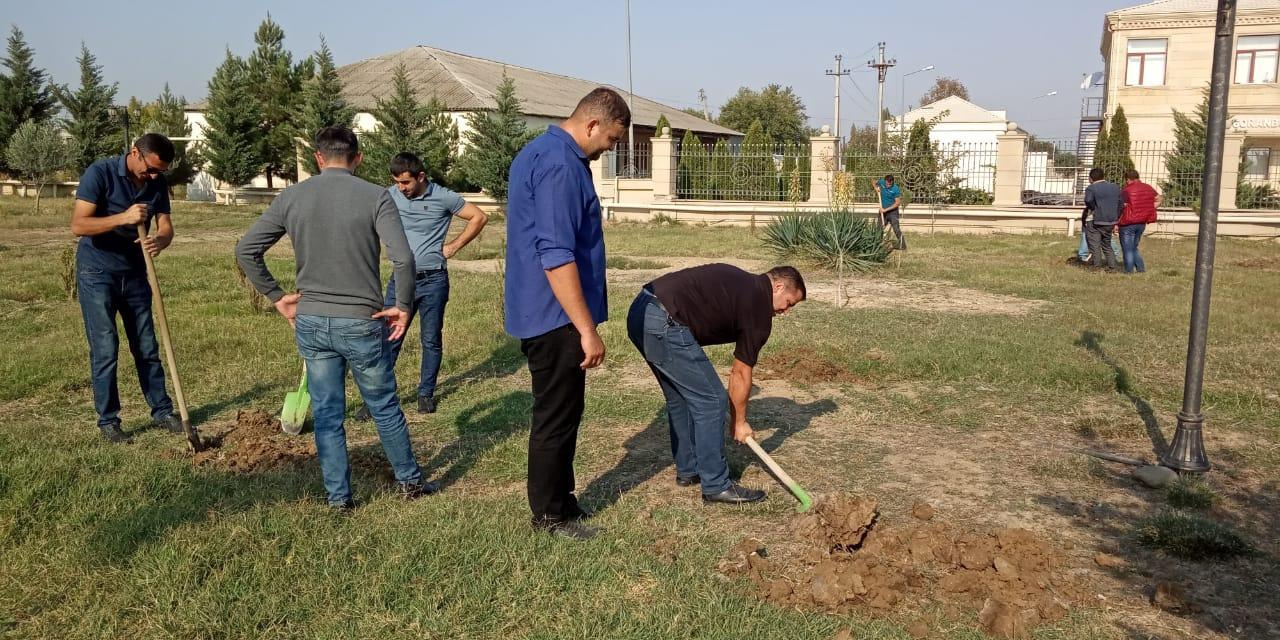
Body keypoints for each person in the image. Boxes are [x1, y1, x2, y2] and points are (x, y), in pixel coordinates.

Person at [235, 127, 436, 511]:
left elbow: (247, 250)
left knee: (327, 413)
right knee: (383, 405)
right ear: (358, 158)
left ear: (318, 158)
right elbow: (404, 259)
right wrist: (404, 305)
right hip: (362, 320)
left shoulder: (291, 197)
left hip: (312, 321)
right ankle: (409, 482)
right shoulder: (377, 196)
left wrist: (277, 297)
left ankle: (338, 499)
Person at [505, 87, 629, 540]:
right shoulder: (559, 164)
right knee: (555, 416)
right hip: (555, 315)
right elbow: (556, 255)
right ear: (592, 124)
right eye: (612, 140)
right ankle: (550, 516)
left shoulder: (540, 152)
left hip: (544, 310)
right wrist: (586, 329)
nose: (609, 149)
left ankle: (561, 501)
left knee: (562, 411)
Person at [626, 265, 806, 505]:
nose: (786, 311)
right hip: (664, 319)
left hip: (641, 310)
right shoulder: (758, 307)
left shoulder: (745, 284)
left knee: (682, 397)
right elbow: (740, 373)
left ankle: (689, 470)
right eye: (789, 303)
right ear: (778, 286)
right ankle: (716, 485)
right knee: (712, 400)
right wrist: (739, 422)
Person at [353, 152, 488, 420]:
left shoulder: (443, 197)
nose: (400, 188)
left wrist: (453, 246)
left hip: (434, 281)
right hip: (400, 281)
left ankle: (425, 393)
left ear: (421, 177)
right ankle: (376, 399)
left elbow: (479, 217)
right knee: (389, 340)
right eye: (396, 182)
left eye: (405, 183)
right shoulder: (389, 195)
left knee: (430, 339)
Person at [70, 133, 183, 444]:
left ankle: (162, 411)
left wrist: (161, 239)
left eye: (160, 172)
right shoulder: (100, 173)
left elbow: (166, 225)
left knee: (147, 345)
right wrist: (124, 217)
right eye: (150, 169)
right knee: (105, 347)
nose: (154, 176)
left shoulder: (156, 182)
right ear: (135, 153)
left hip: (135, 271)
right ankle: (109, 420)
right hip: (98, 271)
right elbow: (79, 225)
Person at [1117, 168, 1159, 274]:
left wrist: (1116, 222)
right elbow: (1159, 198)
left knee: (1127, 248)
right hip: (1142, 222)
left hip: (1128, 222)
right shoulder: (1148, 187)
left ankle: (1129, 271)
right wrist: (1152, 207)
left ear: (1127, 179)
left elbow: (1121, 207)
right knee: (1133, 246)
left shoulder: (1126, 190)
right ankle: (1141, 269)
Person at [1083, 167, 1122, 270]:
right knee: (1107, 244)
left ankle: (1096, 267)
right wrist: (1116, 216)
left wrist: (1094, 208)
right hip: (1110, 221)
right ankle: (1112, 267)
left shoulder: (1091, 188)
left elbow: (1088, 201)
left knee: (1095, 245)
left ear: (1091, 178)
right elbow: (1120, 204)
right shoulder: (1115, 187)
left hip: (1095, 220)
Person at [873, 174, 905, 250]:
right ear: (885, 181)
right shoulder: (881, 182)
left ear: (892, 182)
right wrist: (875, 188)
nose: (888, 185)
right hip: (883, 211)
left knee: (896, 228)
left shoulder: (895, 189)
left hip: (893, 212)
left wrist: (885, 210)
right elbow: (873, 181)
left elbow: (897, 203)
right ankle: (877, 245)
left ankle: (902, 245)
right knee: (879, 229)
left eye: (890, 184)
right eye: (887, 184)